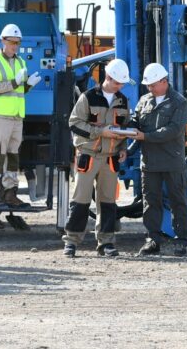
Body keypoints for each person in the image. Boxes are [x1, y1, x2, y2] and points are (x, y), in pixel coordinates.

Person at [62, 59, 132, 258]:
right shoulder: (88, 97)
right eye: (117, 82)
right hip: (88, 155)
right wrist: (101, 132)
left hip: (110, 158)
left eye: (122, 83)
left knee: (108, 202)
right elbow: (74, 123)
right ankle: (71, 241)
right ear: (108, 77)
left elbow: (124, 128)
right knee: (80, 200)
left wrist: (123, 148)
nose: (120, 86)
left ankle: (106, 242)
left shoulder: (123, 101)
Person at [133, 62, 187, 257]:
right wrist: (128, 127)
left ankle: (181, 239)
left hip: (172, 161)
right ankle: (153, 240)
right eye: (148, 85)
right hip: (150, 162)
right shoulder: (144, 100)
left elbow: (173, 130)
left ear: (164, 81)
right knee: (150, 202)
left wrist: (145, 136)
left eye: (153, 85)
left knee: (177, 200)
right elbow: (136, 120)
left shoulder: (179, 103)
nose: (150, 88)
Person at [0, 24, 43, 208]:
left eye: (17, 43)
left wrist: (29, 85)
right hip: (0, 116)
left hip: (16, 117)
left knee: (13, 156)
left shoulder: (21, 62)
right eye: (12, 42)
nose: (15, 46)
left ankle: (10, 193)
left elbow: (19, 90)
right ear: (3, 41)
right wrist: (14, 82)